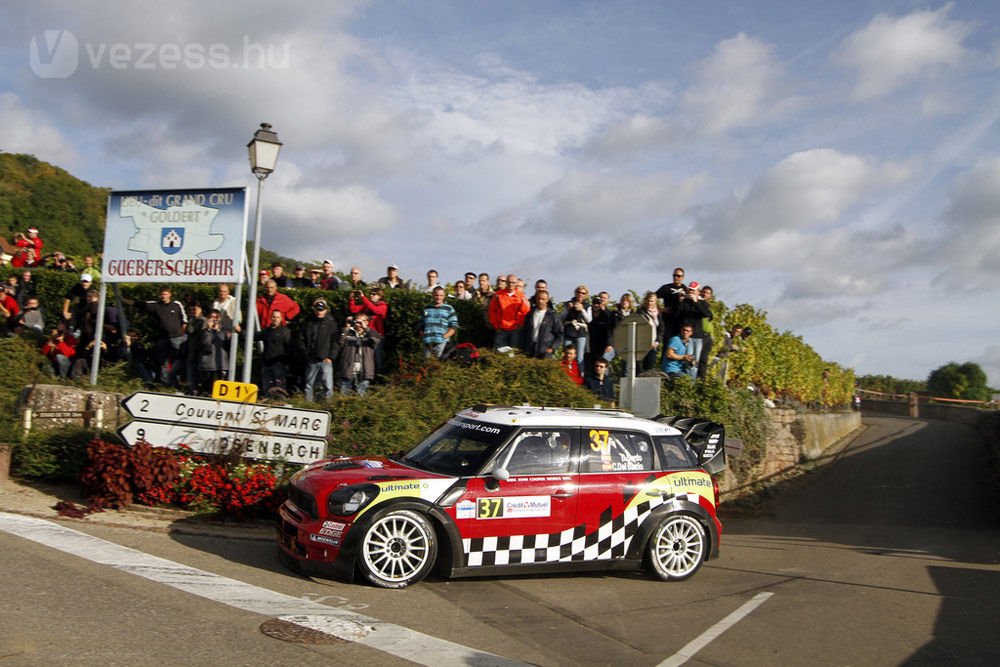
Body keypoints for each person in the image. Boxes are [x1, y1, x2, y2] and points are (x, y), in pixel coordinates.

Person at [124, 286, 187, 386]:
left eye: (165, 294)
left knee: (177, 361)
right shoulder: (156, 305)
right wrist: (122, 300)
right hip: (163, 338)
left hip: (177, 337)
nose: (163, 296)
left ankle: (178, 382)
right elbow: (140, 304)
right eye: (162, 294)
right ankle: (166, 382)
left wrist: (182, 334)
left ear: (170, 295)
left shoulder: (176, 304)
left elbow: (184, 320)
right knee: (163, 361)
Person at [298, 297, 339, 402]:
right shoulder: (308, 323)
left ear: (326, 310)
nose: (319, 312)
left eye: (321, 309)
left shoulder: (332, 325)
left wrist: (331, 357)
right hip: (311, 359)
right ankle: (308, 407)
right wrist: (305, 355)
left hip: (326, 360)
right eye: (317, 309)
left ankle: (329, 407)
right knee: (308, 386)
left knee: (328, 387)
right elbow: (301, 340)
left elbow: (336, 342)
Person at [337, 313, 381, 396]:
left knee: (362, 397)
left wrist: (366, 328)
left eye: (363, 321)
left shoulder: (370, 334)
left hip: (364, 371)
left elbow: (376, 342)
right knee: (344, 397)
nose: (360, 324)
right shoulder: (348, 333)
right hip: (348, 369)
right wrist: (347, 328)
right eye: (358, 321)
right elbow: (339, 342)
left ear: (367, 322)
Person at [348, 286, 388, 371]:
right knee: (366, 356)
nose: (371, 296)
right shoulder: (368, 304)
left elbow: (375, 310)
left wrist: (363, 298)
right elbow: (354, 310)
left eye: (374, 294)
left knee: (377, 357)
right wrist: (351, 299)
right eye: (371, 294)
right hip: (366, 334)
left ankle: (379, 375)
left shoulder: (383, 306)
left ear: (380, 296)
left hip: (377, 335)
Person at [488, 273, 530, 350]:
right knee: (499, 352)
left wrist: (519, 325)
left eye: (513, 283)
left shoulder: (521, 297)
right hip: (501, 329)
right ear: (506, 282)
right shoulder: (498, 295)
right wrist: (496, 325)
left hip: (515, 331)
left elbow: (525, 312)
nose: (511, 284)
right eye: (509, 282)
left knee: (513, 353)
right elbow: (492, 311)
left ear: (516, 283)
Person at [258, 310, 291, 397]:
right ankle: (268, 404)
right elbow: (253, 336)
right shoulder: (266, 331)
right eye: (274, 317)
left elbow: (289, 348)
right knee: (267, 388)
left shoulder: (285, 332)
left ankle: (281, 406)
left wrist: (285, 362)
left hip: (279, 364)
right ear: (271, 318)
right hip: (266, 364)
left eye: (277, 317)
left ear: (281, 319)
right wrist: (240, 331)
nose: (275, 319)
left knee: (280, 389)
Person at [196, 309, 230, 394]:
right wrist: (208, 330)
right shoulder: (203, 332)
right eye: (212, 318)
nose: (214, 320)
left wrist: (218, 331)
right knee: (206, 390)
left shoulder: (224, 332)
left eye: (216, 318)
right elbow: (205, 345)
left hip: (220, 366)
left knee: (217, 391)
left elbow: (225, 344)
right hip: (207, 365)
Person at [523, 289, 561, 359]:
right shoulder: (530, 314)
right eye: (539, 298)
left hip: (545, 351)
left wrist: (551, 348)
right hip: (530, 350)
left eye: (543, 299)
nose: (540, 301)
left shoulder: (552, 316)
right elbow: (524, 331)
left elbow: (560, 334)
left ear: (547, 300)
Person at [421, 286, 458, 358]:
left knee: (439, 365)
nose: (438, 297)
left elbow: (454, 325)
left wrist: (444, 337)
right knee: (427, 365)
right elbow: (421, 325)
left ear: (444, 296)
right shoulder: (426, 308)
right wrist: (424, 337)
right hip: (428, 343)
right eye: (436, 295)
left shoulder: (449, 309)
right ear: (432, 295)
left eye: (441, 295)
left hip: (442, 343)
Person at [561, 285, 592, 364]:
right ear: (575, 293)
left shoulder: (587, 306)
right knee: (566, 355)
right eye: (579, 292)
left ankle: (579, 374)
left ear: (586, 295)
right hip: (569, 331)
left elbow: (589, 319)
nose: (580, 294)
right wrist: (568, 309)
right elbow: (562, 317)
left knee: (580, 357)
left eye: (583, 293)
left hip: (580, 332)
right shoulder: (568, 304)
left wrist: (582, 310)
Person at [637, 291, 666, 372]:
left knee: (649, 367)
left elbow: (661, 328)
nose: (650, 303)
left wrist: (657, 341)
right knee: (639, 368)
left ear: (655, 301)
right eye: (649, 300)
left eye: (652, 301)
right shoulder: (640, 311)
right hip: (641, 344)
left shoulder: (658, 312)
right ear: (646, 300)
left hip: (653, 344)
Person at [655, 267, 688, 338]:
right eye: (674, 275)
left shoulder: (685, 289)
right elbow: (652, 297)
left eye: (678, 276)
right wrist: (660, 309)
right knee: (667, 343)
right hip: (668, 321)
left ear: (683, 277)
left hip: (680, 321)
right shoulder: (666, 288)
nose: (676, 277)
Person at [184, 303, 207, 393]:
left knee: (199, 372)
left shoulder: (203, 320)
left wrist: (192, 321)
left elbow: (192, 331)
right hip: (191, 349)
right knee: (191, 370)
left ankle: (198, 389)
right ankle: (192, 388)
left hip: (199, 350)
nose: (193, 311)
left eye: (195, 309)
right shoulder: (192, 320)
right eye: (191, 310)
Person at [588, 291, 616, 365]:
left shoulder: (609, 313)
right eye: (601, 297)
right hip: (592, 344)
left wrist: (609, 344)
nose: (602, 299)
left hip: (604, 345)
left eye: (604, 298)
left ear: (607, 301)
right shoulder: (589, 311)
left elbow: (611, 329)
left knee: (602, 364)